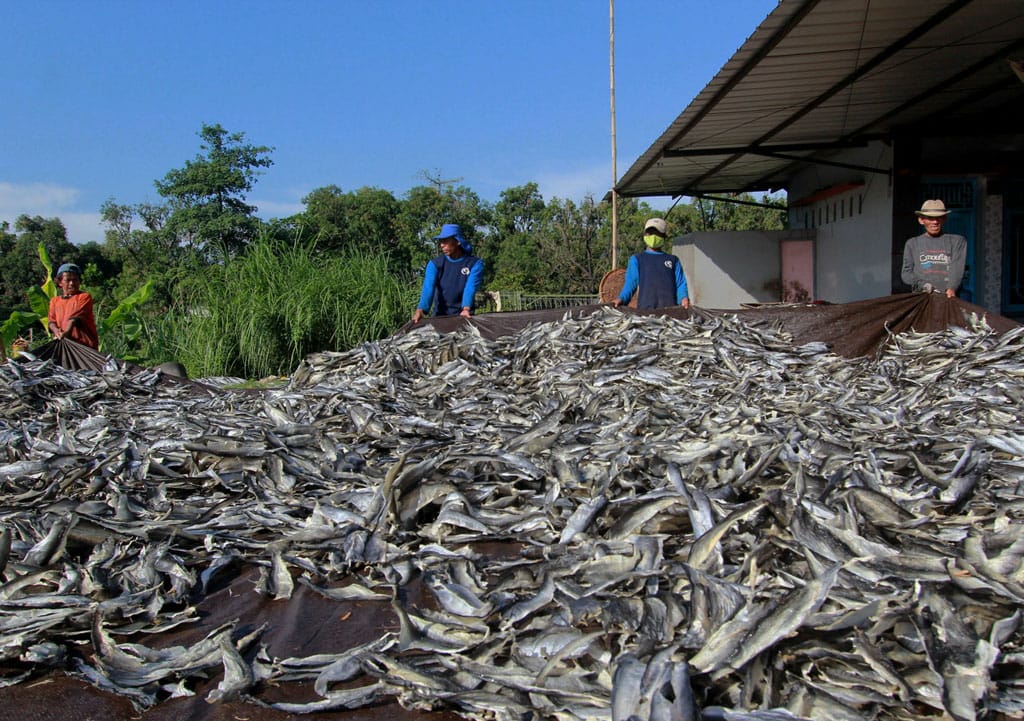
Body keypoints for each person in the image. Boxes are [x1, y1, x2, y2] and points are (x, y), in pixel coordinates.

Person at [412, 224, 484, 323]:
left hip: (463, 316)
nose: (442, 245)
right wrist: (421, 310)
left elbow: (470, 287)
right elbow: (428, 288)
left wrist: (466, 309)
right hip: (440, 316)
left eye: (446, 241)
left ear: (458, 241)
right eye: (441, 241)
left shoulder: (474, 264)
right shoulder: (435, 264)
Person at [614, 218, 690, 310]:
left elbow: (681, 284)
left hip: (670, 312)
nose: (653, 236)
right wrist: (621, 299)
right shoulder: (637, 259)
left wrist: (684, 298)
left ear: (664, 236)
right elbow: (630, 284)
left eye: (657, 233)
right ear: (645, 235)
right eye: (650, 233)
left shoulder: (673, 260)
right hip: (645, 312)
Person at [901, 199, 967, 298]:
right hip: (920, 299)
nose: (935, 221)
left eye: (938, 217)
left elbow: (957, 269)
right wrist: (922, 284)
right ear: (921, 220)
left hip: (947, 299)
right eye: (930, 218)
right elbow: (906, 274)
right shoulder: (912, 244)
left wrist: (952, 287)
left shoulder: (957, 242)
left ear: (944, 219)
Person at [48, 263, 99, 349]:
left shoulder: (84, 297)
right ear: (60, 282)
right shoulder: (55, 301)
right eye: (68, 280)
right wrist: (57, 332)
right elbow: (51, 322)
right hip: (64, 345)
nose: (72, 283)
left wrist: (66, 333)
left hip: (84, 345)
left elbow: (74, 318)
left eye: (75, 280)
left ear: (79, 281)